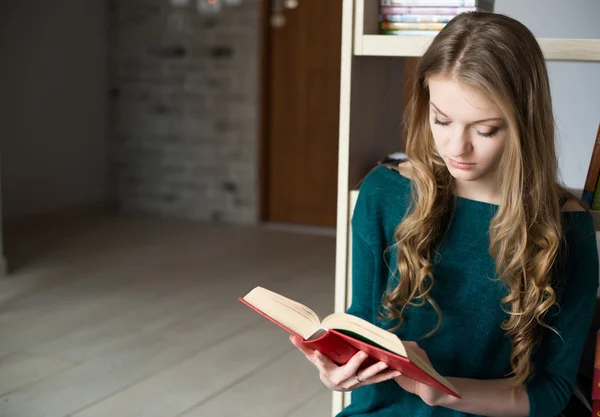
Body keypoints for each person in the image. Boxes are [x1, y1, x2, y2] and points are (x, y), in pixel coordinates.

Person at [290, 11, 599, 417]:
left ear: (525, 123)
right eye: (442, 119)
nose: (457, 147)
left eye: (485, 129)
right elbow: (364, 319)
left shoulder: (566, 228)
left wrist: (444, 390)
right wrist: (338, 366)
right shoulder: (384, 193)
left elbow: (553, 390)